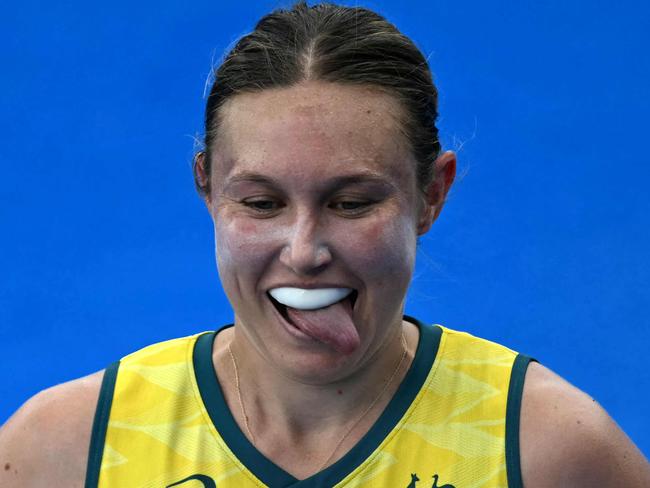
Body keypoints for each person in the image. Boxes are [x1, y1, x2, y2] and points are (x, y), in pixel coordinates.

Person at [1, 2, 649, 487]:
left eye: (351, 202)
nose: (304, 249)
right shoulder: (66, 450)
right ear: (207, 189)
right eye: (260, 203)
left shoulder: (547, 452)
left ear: (432, 195)